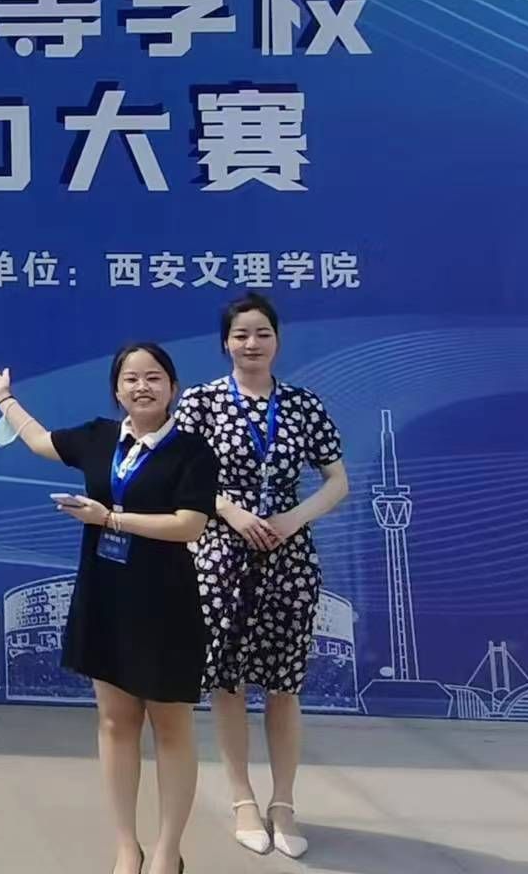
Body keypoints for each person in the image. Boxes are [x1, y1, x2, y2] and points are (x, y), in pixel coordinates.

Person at [0, 344, 216, 874]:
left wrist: (110, 519)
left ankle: (167, 851)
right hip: (106, 598)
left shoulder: (193, 450)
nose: (142, 387)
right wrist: (3, 398)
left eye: (154, 377)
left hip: (166, 606)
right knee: (114, 723)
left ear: (173, 387)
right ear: (117, 389)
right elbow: (39, 441)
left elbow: (189, 525)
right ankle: (127, 847)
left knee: (171, 727)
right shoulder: (99, 437)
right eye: (131, 378)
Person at [175, 292, 350, 860]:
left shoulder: (302, 405)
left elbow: (337, 481)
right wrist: (229, 510)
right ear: (225, 343)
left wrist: (294, 518)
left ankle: (284, 803)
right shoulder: (201, 403)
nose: (252, 344)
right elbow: (178, 474)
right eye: (241, 335)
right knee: (228, 683)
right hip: (222, 556)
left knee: (284, 686)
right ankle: (243, 800)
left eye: (262, 333)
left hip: (289, 560)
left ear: (277, 340)